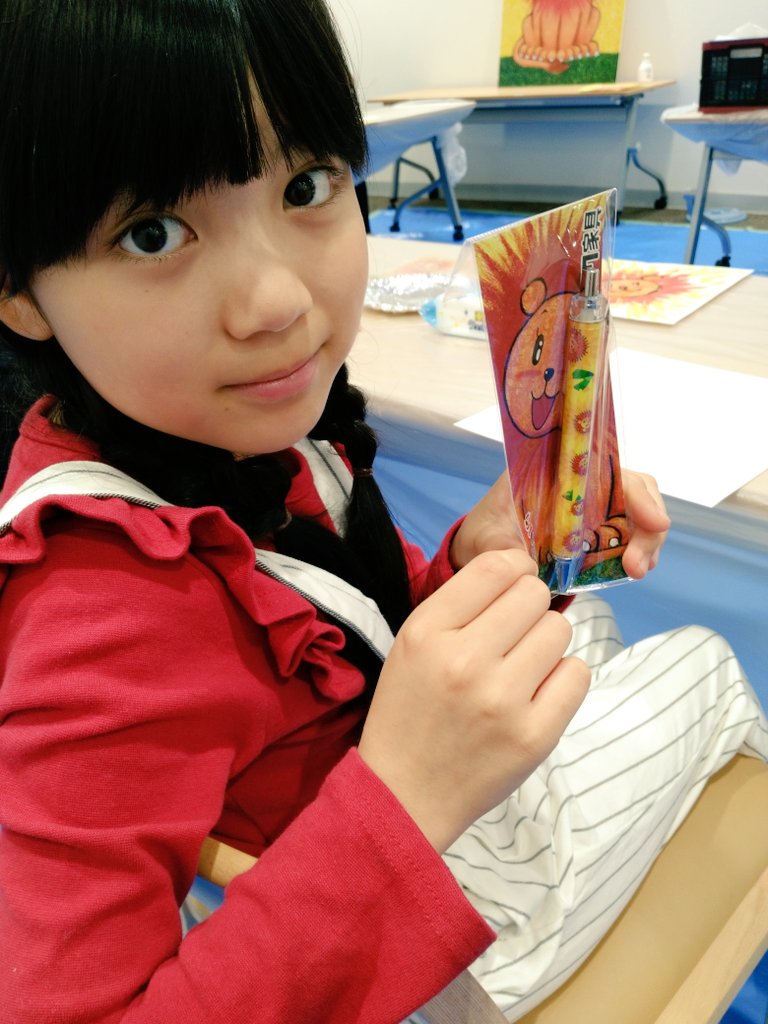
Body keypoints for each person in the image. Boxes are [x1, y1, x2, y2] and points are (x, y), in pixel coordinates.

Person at [0, 2, 764, 1022]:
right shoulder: (99, 627)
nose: (276, 301)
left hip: (387, 807)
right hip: (426, 928)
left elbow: (355, 623)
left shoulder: (233, 436)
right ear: (17, 287)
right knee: (703, 662)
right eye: (154, 234)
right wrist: (405, 797)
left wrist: (472, 558)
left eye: (307, 187)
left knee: (582, 628)